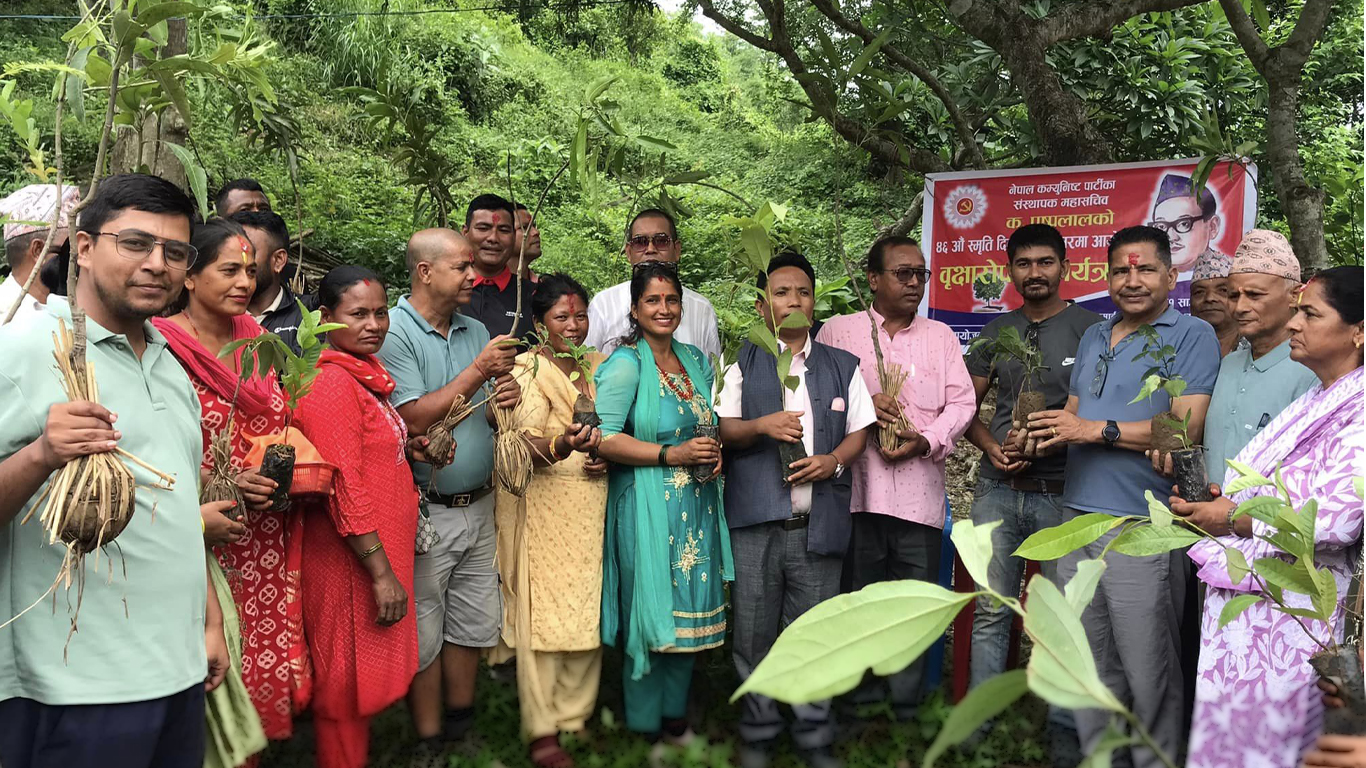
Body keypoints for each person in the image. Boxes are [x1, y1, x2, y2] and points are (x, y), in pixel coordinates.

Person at [0, 173, 231, 766]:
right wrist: (40, 456)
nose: (157, 264)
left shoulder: (169, 361)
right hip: (74, 686)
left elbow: (175, 510)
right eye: (134, 243)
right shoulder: (21, 350)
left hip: (176, 672)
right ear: (82, 248)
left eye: (175, 252)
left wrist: (207, 622)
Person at [1025, 225, 1220, 768]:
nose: (1131, 280)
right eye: (1120, 270)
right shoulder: (1094, 336)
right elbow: (1074, 416)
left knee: (1148, 669)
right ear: (1107, 276)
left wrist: (1098, 430)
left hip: (1144, 526)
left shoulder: (1191, 335)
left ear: (1170, 276)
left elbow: (1183, 431)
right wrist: (1041, 432)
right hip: (1076, 518)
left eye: (1145, 269)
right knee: (1089, 666)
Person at [1176, 266, 1364, 768]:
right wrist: (1223, 502)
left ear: (1358, 331)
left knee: (1277, 751)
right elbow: (1272, 487)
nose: (1296, 324)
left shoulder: (1360, 407)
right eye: (1298, 310)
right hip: (1261, 612)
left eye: (1310, 312)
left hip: (1295, 616)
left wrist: (1234, 517)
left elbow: (1338, 517)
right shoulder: (1319, 397)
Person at [151, 217, 310, 749]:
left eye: (249, 269)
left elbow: (284, 420)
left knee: (261, 652)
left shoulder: (260, 342)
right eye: (228, 270)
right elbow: (154, 450)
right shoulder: (161, 350)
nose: (245, 281)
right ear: (189, 278)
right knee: (215, 659)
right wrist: (219, 480)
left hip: (267, 534)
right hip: (202, 537)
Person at [717, 252, 875, 768]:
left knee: (815, 635)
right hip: (757, 525)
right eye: (782, 293)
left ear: (815, 302)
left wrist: (831, 461)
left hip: (819, 525)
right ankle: (759, 733)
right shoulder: (740, 363)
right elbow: (723, 430)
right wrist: (762, 426)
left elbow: (860, 432)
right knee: (754, 632)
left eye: (803, 292)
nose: (794, 301)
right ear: (764, 305)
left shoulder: (841, 366)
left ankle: (813, 734)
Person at [815, 236, 975, 719]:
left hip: (918, 499)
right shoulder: (837, 333)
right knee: (858, 601)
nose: (914, 283)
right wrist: (863, 401)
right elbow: (814, 397)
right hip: (855, 496)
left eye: (920, 274)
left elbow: (963, 403)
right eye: (902, 273)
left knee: (911, 604)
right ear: (873, 279)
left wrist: (926, 439)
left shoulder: (940, 337)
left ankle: (905, 704)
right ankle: (857, 698)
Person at [378, 228, 521, 767]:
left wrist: (501, 396)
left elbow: (475, 410)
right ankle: (428, 740)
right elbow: (411, 416)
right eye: (462, 267)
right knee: (426, 629)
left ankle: (461, 728)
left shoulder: (475, 328)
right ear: (425, 272)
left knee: (472, 622)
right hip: (426, 509)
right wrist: (479, 370)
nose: (473, 276)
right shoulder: (393, 332)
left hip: (480, 503)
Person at [294, 266, 440, 768]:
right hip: (349, 563)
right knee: (343, 688)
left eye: (380, 312)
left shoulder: (365, 376)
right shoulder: (333, 383)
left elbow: (367, 454)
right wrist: (381, 573)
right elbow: (343, 484)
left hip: (371, 555)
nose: (374, 324)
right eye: (357, 314)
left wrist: (411, 448)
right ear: (325, 318)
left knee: (358, 686)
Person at [962, 224, 1099, 749]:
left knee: (1068, 616)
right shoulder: (997, 332)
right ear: (1010, 270)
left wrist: (1049, 443)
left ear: (1065, 267)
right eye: (1024, 263)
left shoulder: (1091, 330)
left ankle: (1066, 730)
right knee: (993, 608)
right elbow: (964, 408)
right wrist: (990, 447)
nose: (1035, 273)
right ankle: (980, 726)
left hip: (1065, 492)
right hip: (998, 488)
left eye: (1046, 262)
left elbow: (1090, 408)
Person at [594, 262, 732, 761]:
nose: (664, 309)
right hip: (647, 507)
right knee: (652, 618)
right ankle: (646, 731)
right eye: (653, 301)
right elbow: (604, 437)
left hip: (695, 508)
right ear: (635, 309)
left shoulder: (696, 360)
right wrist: (668, 454)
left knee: (688, 621)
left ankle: (675, 723)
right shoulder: (625, 364)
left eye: (672, 300)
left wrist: (712, 457)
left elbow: (709, 425)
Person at [491, 273, 609, 768]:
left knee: (587, 612)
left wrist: (610, 455)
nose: (575, 325)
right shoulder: (525, 372)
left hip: (594, 503)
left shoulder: (602, 365)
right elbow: (519, 444)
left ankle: (576, 717)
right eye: (562, 317)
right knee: (543, 617)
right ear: (540, 323)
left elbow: (620, 428)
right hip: (544, 508)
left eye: (581, 315)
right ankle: (542, 729)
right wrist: (564, 444)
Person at [1189, 229, 1317, 486]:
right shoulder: (1228, 364)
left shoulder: (1314, 372)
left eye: (1255, 295)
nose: (1240, 307)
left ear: (1294, 296)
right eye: (1234, 296)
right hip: (1205, 523)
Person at [585, 209, 721, 360]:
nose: (650, 249)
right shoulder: (603, 304)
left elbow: (713, 379)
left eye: (661, 241)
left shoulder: (702, 309)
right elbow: (585, 368)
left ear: (677, 250)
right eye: (640, 242)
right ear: (629, 252)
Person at [232, 209, 310, 353]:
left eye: (248, 252)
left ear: (278, 260)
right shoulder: (219, 316)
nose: (235, 261)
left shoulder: (308, 314)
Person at [0, 183, 80, 320]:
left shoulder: (75, 306)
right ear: (38, 250)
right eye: (70, 248)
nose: (81, 257)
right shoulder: (7, 319)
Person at [463, 194, 536, 338]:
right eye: (483, 228)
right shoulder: (446, 291)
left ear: (514, 236)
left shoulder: (533, 296)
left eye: (503, 230)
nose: (493, 238)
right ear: (465, 232)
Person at [1149, 173, 1225, 275]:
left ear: (1212, 227)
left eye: (1184, 224)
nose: (1171, 237)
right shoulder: (1145, 276)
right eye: (1161, 226)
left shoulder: (1228, 274)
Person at [1189, 249, 1243, 357]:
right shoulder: (1181, 348)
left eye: (1223, 290)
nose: (1209, 298)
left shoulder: (1256, 345)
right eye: (1199, 292)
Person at [513, 203, 542, 284]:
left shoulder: (543, 289)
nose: (536, 232)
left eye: (534, 226)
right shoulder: (482, 289)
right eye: (524, 227)